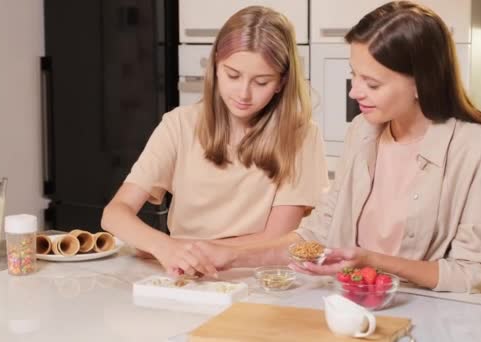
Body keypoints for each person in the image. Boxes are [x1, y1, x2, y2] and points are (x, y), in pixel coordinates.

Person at [191, 1, 481, 294]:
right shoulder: (362, 133)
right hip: (350, 310)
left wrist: (374, 261)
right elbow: (316, 237)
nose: (355, 92)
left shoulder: (480, 151)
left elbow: (476, 275)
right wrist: (230, 255)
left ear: (421, 82)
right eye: (354, 75)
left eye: (372, 83)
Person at [101, 6, 328, 278]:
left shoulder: (301, 136)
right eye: (233, 75)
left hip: (259, 277)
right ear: (215, 67)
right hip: (183, 273)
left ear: (281, 82)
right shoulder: (179, 124)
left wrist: (184, 249)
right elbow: (115, 213)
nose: (244, 93)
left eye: (261, 82)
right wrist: (164, 247)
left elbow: (277, 237)